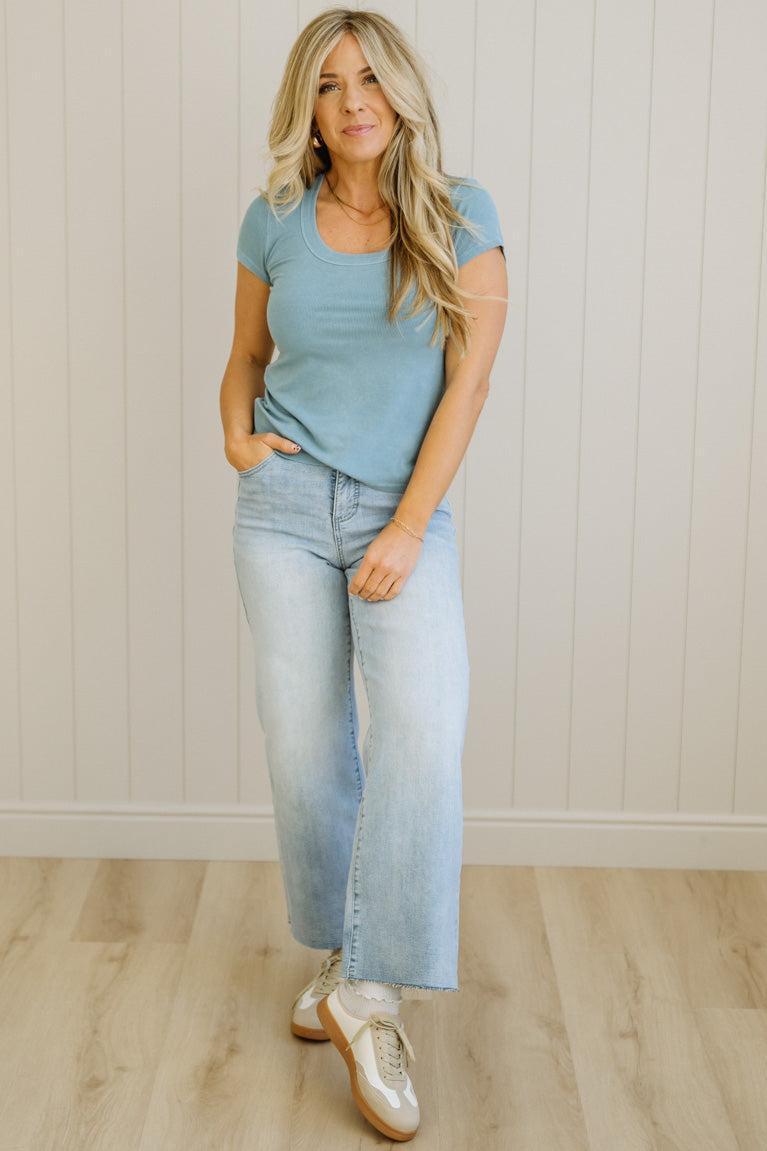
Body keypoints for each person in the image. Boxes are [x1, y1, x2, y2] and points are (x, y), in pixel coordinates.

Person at [219, 8, 507, 1142]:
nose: (353, 101)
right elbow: (246, 356)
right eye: (331, 83)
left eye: (371, 80)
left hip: (403, 514)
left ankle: (368, 992)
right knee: (306, 747)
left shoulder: (461, 214)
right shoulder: (273, 219)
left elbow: (468, 384)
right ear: (308, 104)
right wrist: (236, 437)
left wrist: (408, 524)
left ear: (402, 93)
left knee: (422, 735)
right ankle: (347, 961)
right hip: (283, 511)